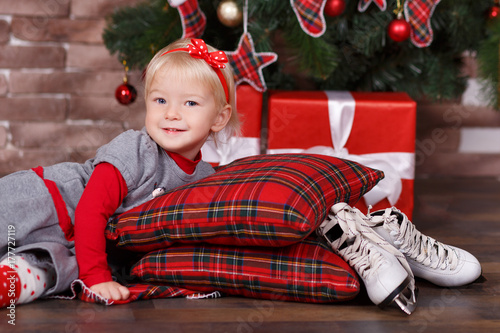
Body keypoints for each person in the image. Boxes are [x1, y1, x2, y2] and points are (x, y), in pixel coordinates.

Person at [0, 38, 240, 306]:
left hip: (73, 244)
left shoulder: (204, 178)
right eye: (160, 100)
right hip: (47, 201)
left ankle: (8, 281)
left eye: (190, 103)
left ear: (219, 118)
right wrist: (96, 276)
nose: (171, 113)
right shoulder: (136, 149)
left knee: (51, 270)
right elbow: (91, 209)